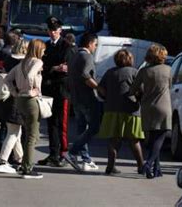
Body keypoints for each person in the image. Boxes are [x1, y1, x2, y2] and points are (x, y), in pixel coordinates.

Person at [97, 49, 144, 175]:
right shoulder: (135, 72)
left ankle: (110, 166)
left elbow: (100, 88)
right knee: (134, 140)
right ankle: (141, 166)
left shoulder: (109, 72)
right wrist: (138, 100)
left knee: (114, 140)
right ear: (130, 59)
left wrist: (106, 98)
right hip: (130, 109)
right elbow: (141, 90)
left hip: (111, 109)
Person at [5, 39, 46, 179]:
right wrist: (33, 90)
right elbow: (30, 76)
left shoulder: (21, 63)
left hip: (20, 100)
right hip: (30, 100)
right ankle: (27, 167)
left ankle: (24, 165)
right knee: (32, 136)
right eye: (43, 50)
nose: (44, 53)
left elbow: (7, 79)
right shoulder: (37, 62)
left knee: (28, 133)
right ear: (38, 49)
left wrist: (15, 92)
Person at [130, 45, 172, 179]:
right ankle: (147, 164)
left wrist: (141, 94)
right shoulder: (168, 70)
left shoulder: (143, 71)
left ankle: (156, 170)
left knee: (153, 138)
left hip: (147, 107)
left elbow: (132, 90)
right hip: (163, 106)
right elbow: (170, 86)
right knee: (160, 138)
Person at [39, 17, 75, 167]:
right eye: (50, 30)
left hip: (62, 90)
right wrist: (54, 68)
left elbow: (68, 68)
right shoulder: (46, 46)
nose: (52, 33)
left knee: (62, 124)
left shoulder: (67, 47)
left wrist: (54, 68)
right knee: (51, 123)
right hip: (49, 89)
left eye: (55, 30)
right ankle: (53, 153)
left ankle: (63, 153)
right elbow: (43, 66)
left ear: (60, 30)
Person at [65, 33, 101, 172]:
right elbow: (86, 75)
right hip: (87, 98)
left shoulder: (74, 56)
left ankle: (85, 159)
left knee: (81, 128)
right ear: (90, 43)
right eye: (95, 44)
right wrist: (98, 88)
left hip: (76, 98)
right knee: (94, 127)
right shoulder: (86, 56)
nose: (96, 47)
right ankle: (73, 152)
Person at [0, 37, 28, 174]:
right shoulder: (23, 63)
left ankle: (20, 160)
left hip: (6, 98)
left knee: (15, 131)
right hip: (17, 99)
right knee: (14, 132)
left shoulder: (8, 59)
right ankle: (2, 160)